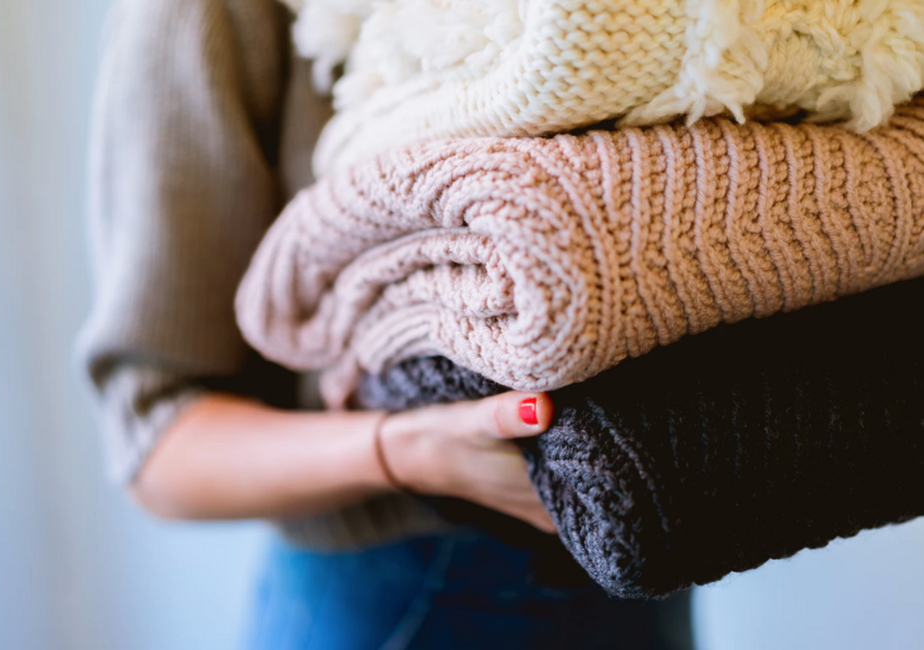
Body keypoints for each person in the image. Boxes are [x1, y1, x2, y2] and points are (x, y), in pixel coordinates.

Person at [78, 0, 692, 647]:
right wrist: (403, 451)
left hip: (645, 558)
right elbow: (156, 446)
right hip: (408, 591)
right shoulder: (204, 15)